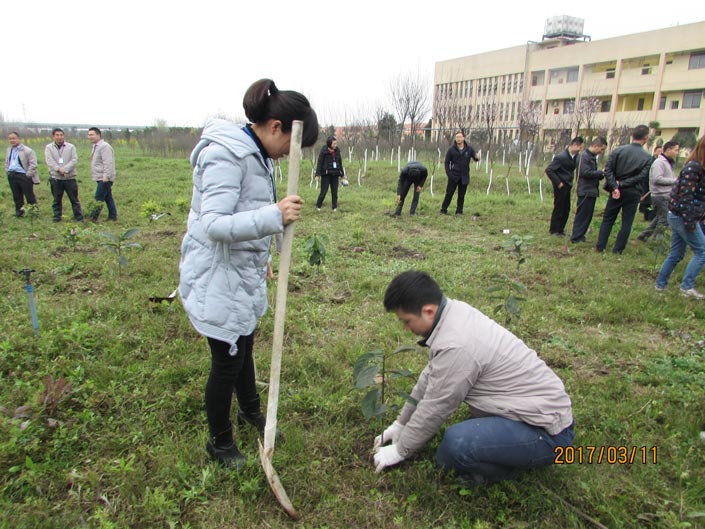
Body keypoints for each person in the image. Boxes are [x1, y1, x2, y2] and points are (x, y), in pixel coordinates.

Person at [179, 78, 318, 468]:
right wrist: (275, 215)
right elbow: (216, 224)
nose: (288, 155)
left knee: (245, 348)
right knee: (226, 361)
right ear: (275, 127)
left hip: (241, 272)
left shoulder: (256, 154)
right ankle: (220, 443)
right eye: (290, 146)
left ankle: (250, 411)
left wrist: (265, 256)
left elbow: (246, 211)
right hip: (217, 275)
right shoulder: (227, 155)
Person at [373, 271, 575, 484]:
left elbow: (436, 405)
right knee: (467, 434)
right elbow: (430, 378)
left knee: (454, 447)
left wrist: (401, 450)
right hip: (530, 411)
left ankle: (503, 473)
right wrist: (401, 423)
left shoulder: (457, 344)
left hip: (548, 432)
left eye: (407, 321)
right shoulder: (452, 312)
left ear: (429, 311)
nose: (405, 328)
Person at [655, 136, 705, 299]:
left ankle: (660, 285)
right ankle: (687, 287)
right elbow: (686, 197)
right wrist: (690, 222)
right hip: (683, 216)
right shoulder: (694, 168)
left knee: (676, 253)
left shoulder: (698, 168)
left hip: (680, 215)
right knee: (702, 251)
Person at [595, 124, 652, 254]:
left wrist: (615, 186)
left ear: (632, 135)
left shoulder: (618, 151)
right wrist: (622, 184)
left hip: (616, 191)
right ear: (646, 137)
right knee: (627, 221)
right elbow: (642, 176)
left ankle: (600, 246)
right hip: (633, 192)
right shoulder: (647, 157)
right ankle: (618, 249)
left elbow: (608, 170)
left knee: (608, 219)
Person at [637, 141, 680, 241]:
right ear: (668, 150)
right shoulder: (659, 163)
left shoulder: (668, 163)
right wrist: (675, 181)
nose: (677, 153)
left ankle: (643, 236)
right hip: (660, 195)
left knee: (658, 218)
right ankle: (657, 240)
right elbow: (656, 179)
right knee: (664, 219)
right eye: (676, 150)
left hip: (666, 195)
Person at [545, 137, 584, 236]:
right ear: (574, 145)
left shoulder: (576, 157)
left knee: (566, 208)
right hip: (560, 186)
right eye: (580, 148)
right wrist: (558, 182)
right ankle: (554, 230)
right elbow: (549, 170)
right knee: (559, 207)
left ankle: (561, 229)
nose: (580, 150)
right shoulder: (561, 157)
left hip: (568, 185)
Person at [570, 137, 607, 243]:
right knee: (582, 215)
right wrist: (600, 172)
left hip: (591, 190)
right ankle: (576, 237)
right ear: (595, 146)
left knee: (587, 215)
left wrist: (601, 174)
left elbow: (592, 172)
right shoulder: (583, 156)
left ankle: (581, 235)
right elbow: (585, 173)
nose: (601, 152)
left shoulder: (591, 157)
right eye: (601, 149)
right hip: (585, 190)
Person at [44, 128, 83, 222]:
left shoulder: (71, 147)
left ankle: (79, 217)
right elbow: (49, 161)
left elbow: (74, 160)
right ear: (53, 136)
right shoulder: (49, 148)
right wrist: (59, 169)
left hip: (69, 177)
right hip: (56, 178)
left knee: (74, 199)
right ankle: (57, 217)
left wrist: (65, 170)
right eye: (57, 135)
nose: (59, 137)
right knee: (57, 199)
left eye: (61, 135)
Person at [440, 130, 479, 215]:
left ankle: (459, 211)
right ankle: (443, 210)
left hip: (464, 177)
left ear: (463, 138)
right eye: (457, 137)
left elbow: (475, 158)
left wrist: (477, 158)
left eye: (460, 137)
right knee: (449, 194)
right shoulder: (451, 150)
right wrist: (449, 173)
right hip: (453, 176)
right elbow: (446, 162)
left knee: (461, 196)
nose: (458, 139)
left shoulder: (469, 149)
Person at [5, 131, 38, 217]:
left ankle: (34, 212)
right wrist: (7, 171)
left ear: (19, 139)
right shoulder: (9, 150)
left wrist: (28, 175)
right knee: (16, 195)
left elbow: (33, 164)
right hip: (12, 175)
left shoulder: (27, 150)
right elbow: (7, 162)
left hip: (23, 175)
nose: (12, 140)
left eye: (14, 138)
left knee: (29, 195)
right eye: (10, 139)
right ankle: (19, 213)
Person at [88, 127, 117, 222]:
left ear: (98, 135)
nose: (90, 137)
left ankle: (93, 217)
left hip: (104, 178)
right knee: (108, 197)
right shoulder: (96, 146)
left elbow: (108, 162)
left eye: (92, 134)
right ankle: (113, 216)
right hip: (100, 176)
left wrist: (106, 176)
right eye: (89, 135)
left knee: (99, 197)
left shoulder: (104, 146)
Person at [315, 136, 344, 211]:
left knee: (335, 192)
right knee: (323, 191)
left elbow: (340, 162)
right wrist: (317, 174)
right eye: (334, 144)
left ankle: (334, 207)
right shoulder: (324, 151)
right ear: (329, 144)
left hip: (335, 174)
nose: (335, 145)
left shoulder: (337, 150)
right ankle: (318, 206)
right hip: (326, 174)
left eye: (336, 143)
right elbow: (319, 163)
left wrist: (342, 174)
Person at [639, 144, 663, 221]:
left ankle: (650, 217)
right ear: (655, 152)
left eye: (661, 152)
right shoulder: (650, 160)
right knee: (646, 201)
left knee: (651, 202)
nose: (660, 153)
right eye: (658, 151)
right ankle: (646, 216)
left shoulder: (661, 162)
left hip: (654, 184)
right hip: (646, 182)